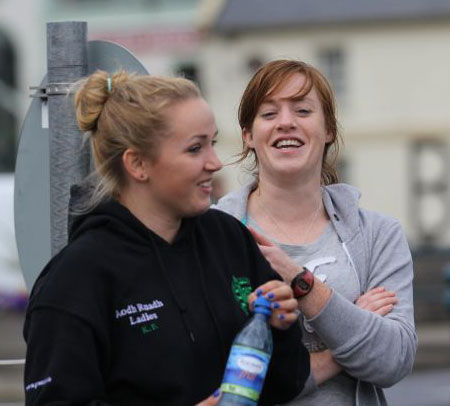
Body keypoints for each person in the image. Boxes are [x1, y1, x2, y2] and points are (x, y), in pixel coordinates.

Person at [23, 70, 310, 406]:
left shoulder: (228, 238)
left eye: (212, 143)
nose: (215, 163)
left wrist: (279, 327)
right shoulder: (75, 279)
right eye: (195, 148)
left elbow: (286, 386)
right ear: (138, 163)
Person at [214, 59, 417, 405]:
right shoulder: (214, 235)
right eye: (269, 114)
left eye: (303, 110)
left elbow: (391, 362)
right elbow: (216, 377)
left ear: (328, 131)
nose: (286, 123)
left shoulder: (378, 234)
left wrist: (300, 282)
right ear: (248, 135)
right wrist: (351, 334)